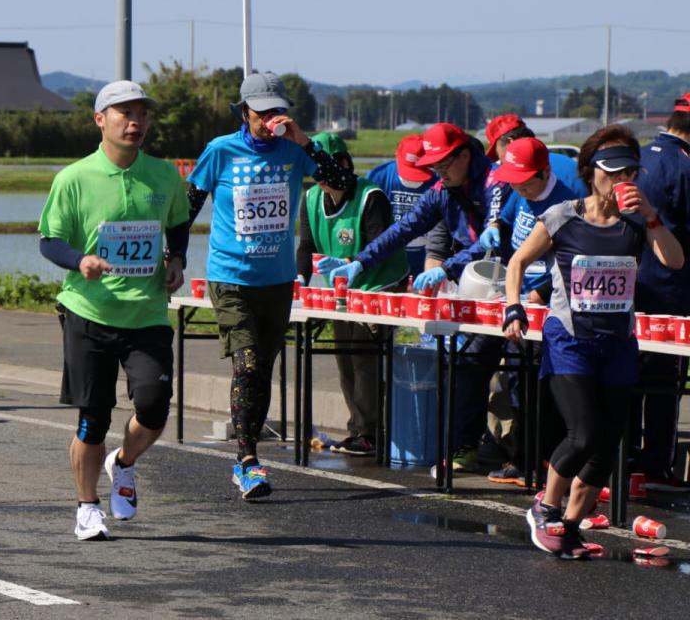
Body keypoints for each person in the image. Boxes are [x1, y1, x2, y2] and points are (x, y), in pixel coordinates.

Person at [503, 125, 683, 559]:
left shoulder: (638, 222)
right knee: (583, 434)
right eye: (612, 173)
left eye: (630, 173)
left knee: (606, 444)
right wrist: (513, 306)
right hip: (570, 340)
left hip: (617, 343)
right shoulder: (564, 216)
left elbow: (674, 261)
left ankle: (567, 527)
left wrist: (653, 216)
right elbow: (517, 262)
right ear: (590, 173)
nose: (622, 182)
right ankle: (544, 508)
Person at [186, 72, 355, 499]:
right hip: (231, 278)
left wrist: (306, 143)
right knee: (246, 363)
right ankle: (247, 461)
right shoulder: (220, 151)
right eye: (262, 113)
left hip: (277, 281)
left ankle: (248, 455)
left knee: (262, 366)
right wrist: (172, 257)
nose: (270, 121)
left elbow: (342, 187)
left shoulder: (294, 151)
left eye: (277, 112)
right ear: (244, 113)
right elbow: (188, 205)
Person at [38, 80, 189, 540]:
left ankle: (122, 463)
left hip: (146, 312)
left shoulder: (164, 175)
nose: (135, 121)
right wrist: (78, 260)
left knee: (155, 406)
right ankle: (86, 506)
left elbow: (178, 223)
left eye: (141, 113)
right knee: (94, 416)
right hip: (89, 311)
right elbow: (49, 240)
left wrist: (177, 259)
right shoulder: (74, 178)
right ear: (100, 120)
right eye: (124, 113)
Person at [320, 122, 500, 471]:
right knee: (464, 360)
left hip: (516, 278)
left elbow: (491, 239)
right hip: (474, 281)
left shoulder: (495, 184)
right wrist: (360, 261)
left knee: (507, 367)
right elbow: (403, 230)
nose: (439, 173)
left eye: (444, 165)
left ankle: (518, 454)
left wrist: (447, 268)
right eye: (434, 167)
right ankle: (464, 445)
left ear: (465, 155)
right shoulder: (441, 190)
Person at [457, 137, 576, 485]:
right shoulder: (518, 193)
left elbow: (569, 262)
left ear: (544, 173)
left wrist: (539, 293)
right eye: (514, 180)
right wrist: (494, 230)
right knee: (494, 371)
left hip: (547, 303)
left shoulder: (565, 203)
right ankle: (502, 453)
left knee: (535, 386)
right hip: (513, 299)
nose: (519, 187)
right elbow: (506, 221)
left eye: (525, 181)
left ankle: (535, 462)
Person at [299, 132, 407, 457]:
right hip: (342, 290)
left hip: (379, 284)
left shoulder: (371, 197)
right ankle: (358, 427)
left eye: (326, 167)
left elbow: (380, 246)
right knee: (344, 356)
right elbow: (306, 245)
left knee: (364, 355)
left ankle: (370, 432)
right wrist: (300, 280)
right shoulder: (311, 199)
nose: (320, 177)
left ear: (343, 163)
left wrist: (349, 263)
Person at [630, 93, 690, 488]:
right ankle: (656, 463)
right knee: (666, 379)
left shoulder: (638, 157)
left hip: (631, 283)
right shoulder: (683, 165)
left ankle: (629, 454)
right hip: (671, 286)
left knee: (633, 374)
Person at [365, 134, 437, 278]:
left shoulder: (438, 182)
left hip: (424, 254)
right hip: (387, 254)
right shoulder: (378, 177)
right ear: (397, 156)